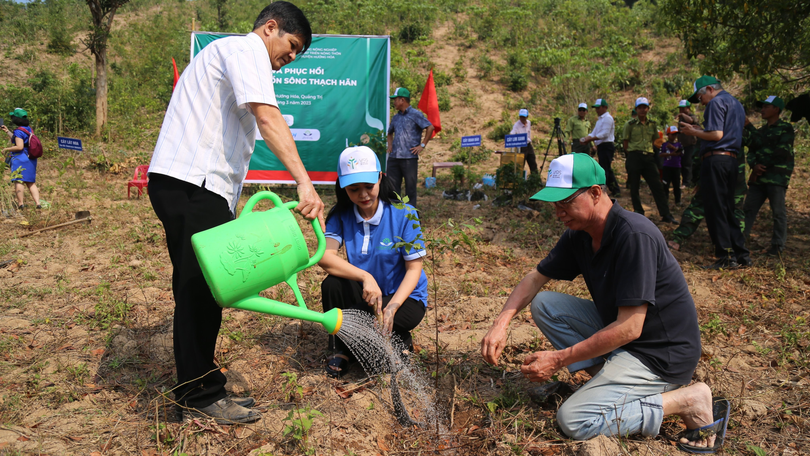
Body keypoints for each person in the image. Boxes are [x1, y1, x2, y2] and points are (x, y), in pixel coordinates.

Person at [147, 2, 324, 424]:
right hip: (193, 184)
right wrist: (303, 180)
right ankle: (199, 397)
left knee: (205, 287)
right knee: (199, 289)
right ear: (270, 27)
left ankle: (203, 385)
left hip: (193, 186)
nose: (291, 58)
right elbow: (268, 117)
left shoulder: (227, 54)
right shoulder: (246, 52)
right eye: (292, 45)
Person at [480, 153, 728, 454]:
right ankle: (609, 383)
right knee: (546, 304)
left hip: (660, 356)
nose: (558, 211)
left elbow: (630, 328)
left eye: (565, 201)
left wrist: (559, 359)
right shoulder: (580, 233)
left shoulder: (634, 235)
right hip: (628, 343)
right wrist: (500, 323)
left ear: (596, 193)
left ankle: (687, 399)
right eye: (554, 203)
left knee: (574, 420)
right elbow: (535, 278)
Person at [319, 146, 428, 377]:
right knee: (332, 285)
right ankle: (340, 349)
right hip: (366, 293)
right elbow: (325, 257)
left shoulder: (405, 214)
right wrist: (365, 277)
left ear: (380, 177)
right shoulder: (341, 215)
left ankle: (397, 339)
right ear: (342, 186)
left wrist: (393, 307)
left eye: (369, 186)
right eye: (354, 189)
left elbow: (414, 268)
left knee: (371, 326)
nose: (363, 195)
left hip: (404, 298)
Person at [680, 76, 751, 269]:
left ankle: (724, 257)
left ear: (710, 89)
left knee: (715, 208)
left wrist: (694, 132)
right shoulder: (736, 103)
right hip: (732, 160)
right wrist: (700, 129)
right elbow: (723, 133)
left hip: (716, 160)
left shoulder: (715, 103)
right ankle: (741, 254)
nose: (701, 102)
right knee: (729, 208)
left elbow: (716, 135)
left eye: (700, 97)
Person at [742, 96, 795, 257]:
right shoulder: (760, 132)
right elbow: (751, 151)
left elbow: (782, 152)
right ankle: (739, 241)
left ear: (776, 109)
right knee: (748, 210)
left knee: (778, 212)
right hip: (759, 179)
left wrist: (762, 165)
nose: (762, 110)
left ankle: (777, 246)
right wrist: (754, 165)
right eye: (762, 107)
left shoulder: (786, 129)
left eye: (766, 106)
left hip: (777, 178)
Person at [623, 97, 676, 224]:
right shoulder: (629, 125)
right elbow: (625, 143)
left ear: (648, 109)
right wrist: (631, 155)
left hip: (649, 157)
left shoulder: (652, 124)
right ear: (636, 109)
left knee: (657, 186)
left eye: (644, 107)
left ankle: (666, 214)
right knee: (634, 186)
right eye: (639, 107)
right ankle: (638, 212)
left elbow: (656, 141)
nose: (642, 110)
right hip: (634, 156)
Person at [387, 87, 434, 207]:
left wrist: (422, 145)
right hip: (394, 158)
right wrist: (390, 145)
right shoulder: (396, 117)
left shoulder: (416, 114)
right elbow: (389, 132)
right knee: (392, 188)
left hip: (409, 158)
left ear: (402, 100)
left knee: (410, 189)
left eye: (395, 99)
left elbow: (430, 127)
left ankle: (411, 216)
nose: (394, 102)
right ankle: (396, 213)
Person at [1, 108, 41, 210]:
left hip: (20, 158)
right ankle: (38, 204)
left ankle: (21, 204)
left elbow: (19, 146)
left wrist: (6, 149)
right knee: (31, 183)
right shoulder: (28, 129)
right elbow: (21, 140)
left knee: (19, 181)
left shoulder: (18, 131)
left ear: (15, 119)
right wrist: (7, 132)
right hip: (31, 157)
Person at [579, 99, 620, 196]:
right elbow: (594, 133)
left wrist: (590, 139)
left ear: (605, 107)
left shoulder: (608, 118)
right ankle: (615, 189)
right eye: (596, 108)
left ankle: (603, 190)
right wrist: (586, 138)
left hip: (607, 145)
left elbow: (604, 134)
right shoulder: (600, 120)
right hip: (601, 146)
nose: (597, 110)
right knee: (606, 167)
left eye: (598, 108)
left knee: (604, 168)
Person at [677, 100, 700, 187]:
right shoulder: (681, 119)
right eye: (680, 109)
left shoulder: (691, 116)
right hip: (682, 144)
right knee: (682, 163)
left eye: (683, 109)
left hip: (691, 144)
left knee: (688, 163)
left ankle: (688, 182)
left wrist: (683, 114)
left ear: (688, 108)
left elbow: (691, 121)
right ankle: (685, 181)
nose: (681, 111)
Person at [509, 109, 538, 174]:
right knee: (521, 164)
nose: (522, 118)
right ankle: (519, 180)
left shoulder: (529, 123)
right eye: (521, 117)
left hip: (528, 145)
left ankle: (535, 179)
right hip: (521, 147)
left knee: (533, 162)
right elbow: (512, 134)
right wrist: (516, 142)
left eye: (524, 117)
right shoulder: (517, 125)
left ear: (527, 117)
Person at [660, 126, 683, 205]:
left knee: (677, 185)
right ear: (668, 135)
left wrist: (672, 147)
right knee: (665, 184)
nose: (674, 136)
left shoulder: (679, 144)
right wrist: (670, 154)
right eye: (672, 134)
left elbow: (681, 152)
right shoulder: (664, 144)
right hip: (667, 166)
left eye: (675, 134)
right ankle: (665, 200)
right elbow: (661, 154)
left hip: (676, 167)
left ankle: (678, 201)